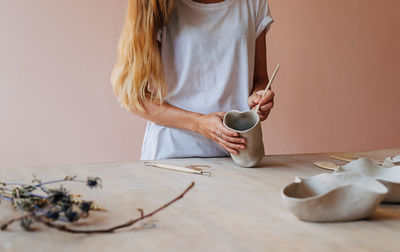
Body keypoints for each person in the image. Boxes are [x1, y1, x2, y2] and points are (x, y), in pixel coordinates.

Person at [111, 0, 275, 160]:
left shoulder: (254, 3)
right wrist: (198, 123)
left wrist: (259, 96)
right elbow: (134, 97)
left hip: (238, 155)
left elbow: (260, 79)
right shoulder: (156, 4)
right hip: (172, 157)